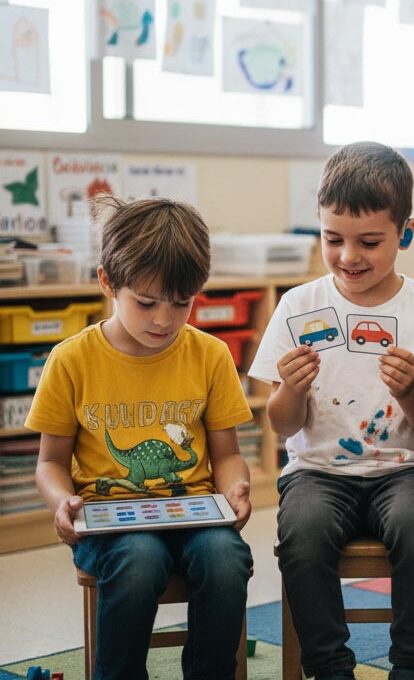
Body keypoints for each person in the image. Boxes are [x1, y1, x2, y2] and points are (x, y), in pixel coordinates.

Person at [248, 142, 414, 680]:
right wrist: (291, 390)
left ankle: (412, 666)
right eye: (333, 239)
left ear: (406, 233)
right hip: (317, 472)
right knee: (301, 539)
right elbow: (281, 424)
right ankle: (329, 666)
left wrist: (411, 391)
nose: (348, 256)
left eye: (369, 242)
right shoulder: (299, 305)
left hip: (407, 471)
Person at [28, 197, 255, 680]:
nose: (164, 320)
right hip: (109, 523)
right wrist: (62, 502)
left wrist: (236, 488)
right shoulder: (71, 360)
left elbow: (227, 454)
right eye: (146, 303)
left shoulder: (211, 355)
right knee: (139, 557)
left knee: (225, 559)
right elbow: (50, 463)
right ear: (108, 282)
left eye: (182, 302)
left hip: (193, 512)